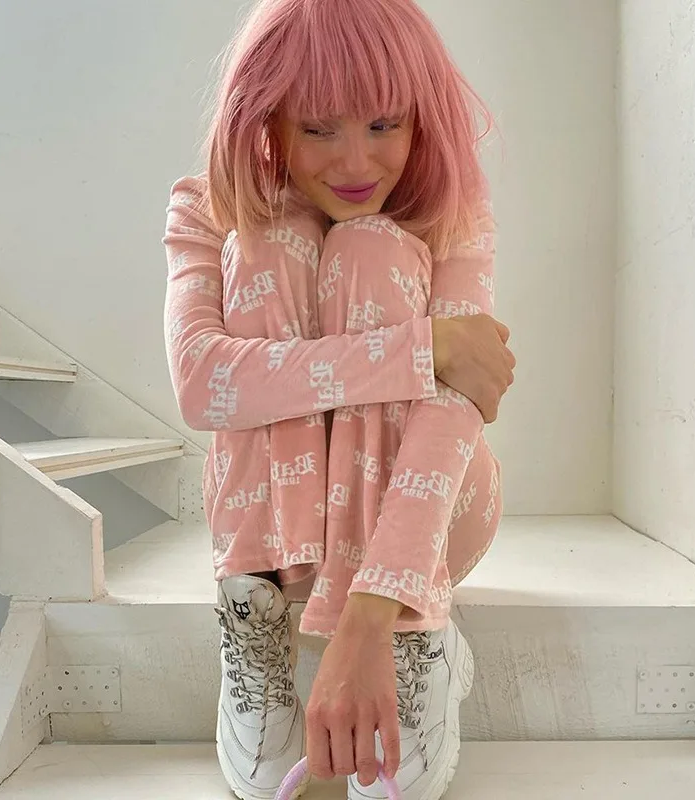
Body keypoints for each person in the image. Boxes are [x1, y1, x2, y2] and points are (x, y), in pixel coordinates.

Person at [162, 1, 516, 798]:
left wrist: (375, 616)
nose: (356, 161)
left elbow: (455, 412)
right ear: (269, 121)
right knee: (264, 242)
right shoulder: (205, 208)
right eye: (318, 129)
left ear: (421, 115)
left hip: (438, 517)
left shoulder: (455, 216)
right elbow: (201, 381)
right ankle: (254, 611)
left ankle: (416, 632)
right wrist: (423, 350)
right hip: (274, 530)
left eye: (384, 124)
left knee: (370, 248)